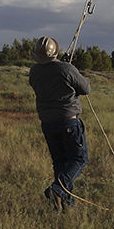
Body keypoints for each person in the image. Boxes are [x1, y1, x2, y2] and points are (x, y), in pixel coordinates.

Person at [29, 36, 92, 209]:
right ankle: (57, 189)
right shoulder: (67, 68)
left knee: (60, 163)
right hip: (69, 123)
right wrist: (70, 69)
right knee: (79, 159)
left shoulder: (34, 71)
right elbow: (86, 89)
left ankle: (65, 205)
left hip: (48, 124)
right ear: (55, 52)